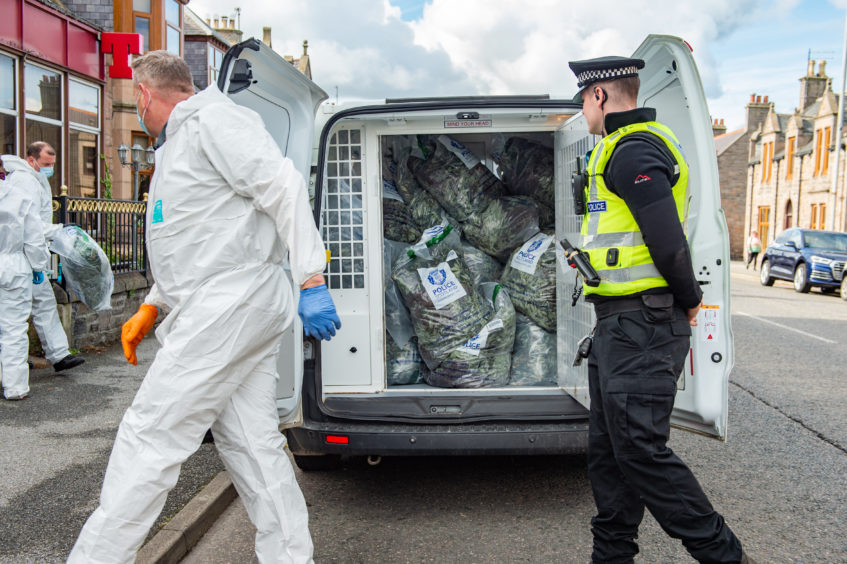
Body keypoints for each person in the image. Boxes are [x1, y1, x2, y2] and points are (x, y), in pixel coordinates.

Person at [68, 51, 340, 564]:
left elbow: (282, 187)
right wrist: (154, 304)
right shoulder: (178, 145)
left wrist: (311, 276)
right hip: (226, 305)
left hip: (228, 306)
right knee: (252, 448)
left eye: (136, 102)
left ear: (145, 94)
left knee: (151, 434)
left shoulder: (213, 120)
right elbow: (196, 239)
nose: (138, 112)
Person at [568, 56, 753, 563]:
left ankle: (724, 556)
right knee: (609, 455)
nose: (582, 110)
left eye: (583, 99)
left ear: (600, 95)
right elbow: (631, 240)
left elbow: (667, 241)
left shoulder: (633, 150)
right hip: (619, 324)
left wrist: (691, 300)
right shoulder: (615, 151)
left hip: (643, 325)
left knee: (641, 452)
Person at [1, 143, 85, 372]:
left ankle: (53, 356)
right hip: (23, 256)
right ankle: (43, 358)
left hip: (26, 255)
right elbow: (29, 224)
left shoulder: (33, 178)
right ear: (31, 159)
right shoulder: (25, 181)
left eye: (52, 164)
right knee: (21, 315)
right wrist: (57, 231)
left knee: (37, 306)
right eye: (46, 164)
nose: (50, 168)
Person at [0, 156, 51, 400]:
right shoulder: (18, 197)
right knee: (13, 329)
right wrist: (38, 266)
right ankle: (15, 387)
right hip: (12, 267)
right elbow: (34, 238)